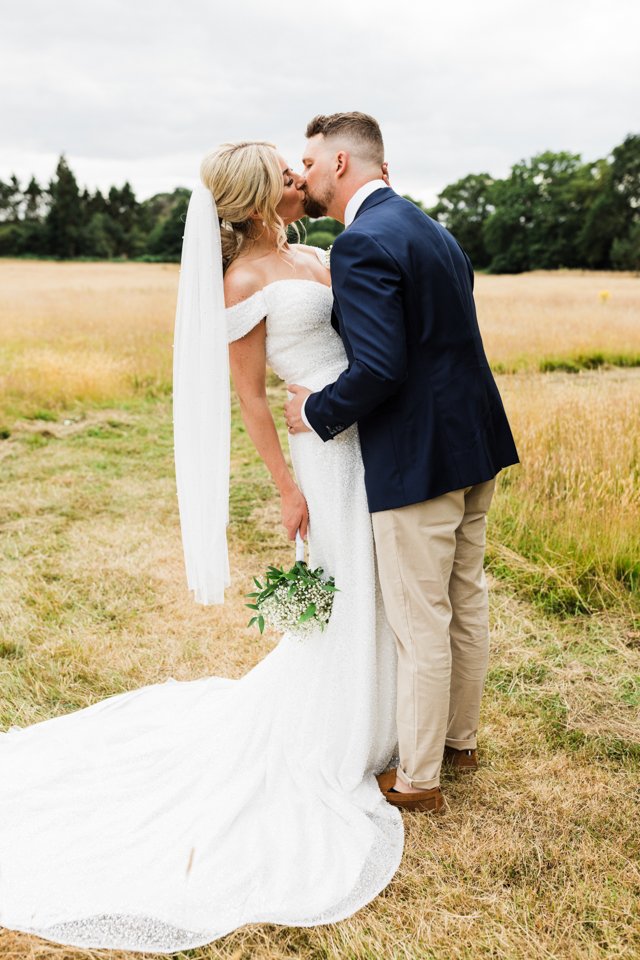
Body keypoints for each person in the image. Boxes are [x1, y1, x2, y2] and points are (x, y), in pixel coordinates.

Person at [0, 140, 403, 954]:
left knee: (385, 578)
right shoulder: (240, 284)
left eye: (302, 175)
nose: (300, 184)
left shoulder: (317, 252)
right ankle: (353, 733)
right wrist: (286, 489)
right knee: (345, 579)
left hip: (370, 431)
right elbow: (252, 400)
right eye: (288, 179)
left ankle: (392, 719)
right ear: (258, 197)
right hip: (320, 452)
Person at [285, 112, 519, 812]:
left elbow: (382, 366)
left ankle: (419, 779)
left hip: (418, 462)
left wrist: (319, 410)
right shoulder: (433, 230)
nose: (304, 174)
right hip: (475, 444)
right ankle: (460, 740)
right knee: (465, 600)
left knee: (420, 621)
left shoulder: (360, 244)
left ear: (344, 165)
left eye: (312, 161)